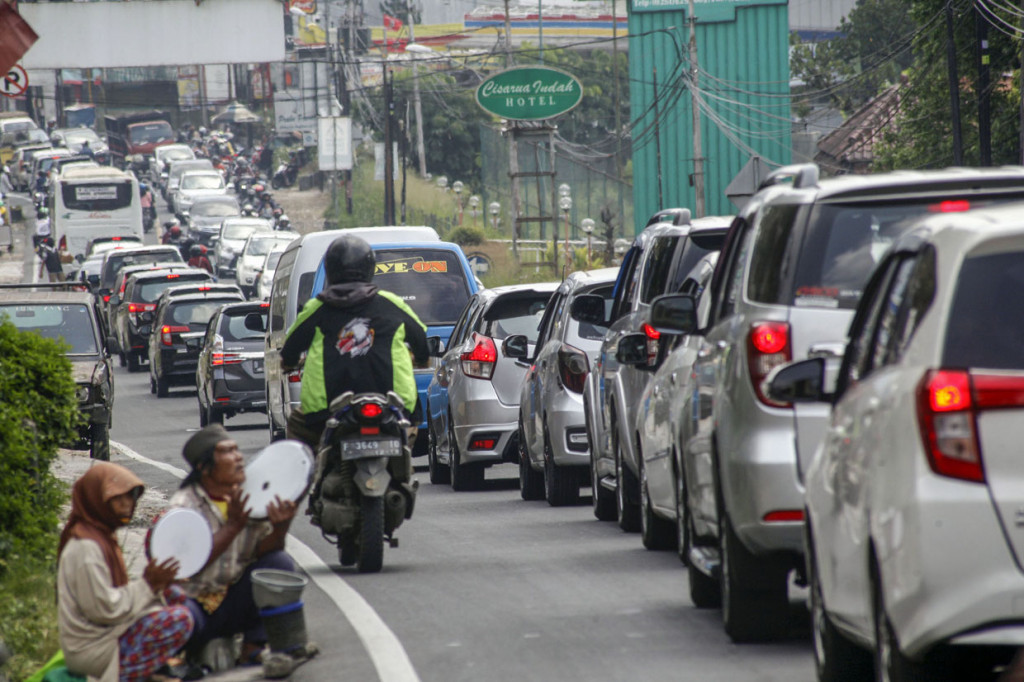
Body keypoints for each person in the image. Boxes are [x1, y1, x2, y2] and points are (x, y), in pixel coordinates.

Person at [281, 234, 429, 450]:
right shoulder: (391, 303)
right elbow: (420, 340)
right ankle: (404, 464)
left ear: (330, 269)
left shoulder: (317, 308)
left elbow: (290, 350)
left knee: (297, 425)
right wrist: (422, 360)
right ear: (370, 268)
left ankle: (308, 473)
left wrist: (289, 363)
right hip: (394, 404)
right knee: (408, 428)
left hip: (326, 409)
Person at [170, 425, 298, 668]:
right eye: (227, 451)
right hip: (197, 604)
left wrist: (282, 526)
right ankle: (184, 657)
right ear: (204, 467)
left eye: (237, 450)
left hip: (234, 602)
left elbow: (263, 551)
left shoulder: (248, 498)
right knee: (178, 616)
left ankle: (254, 645)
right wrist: (232, 526)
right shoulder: (184, 507)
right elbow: (186, 565)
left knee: (279, 562)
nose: (238, 457)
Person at [57, 462, 192, 682]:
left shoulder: (102, 536)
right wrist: (147, 584)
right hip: (91, 646)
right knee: (179, 619)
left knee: (174, 595)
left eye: (131, 497)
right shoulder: (86, 548)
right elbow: (105, 610)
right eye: (117, 498)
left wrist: (158, 584)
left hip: (109, 631)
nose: (127, 504)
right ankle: (125, 675)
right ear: (95, 499)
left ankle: (146, 670)